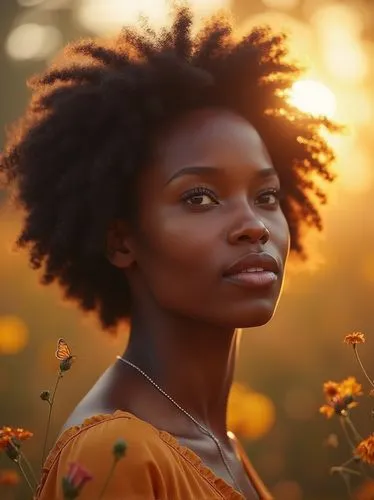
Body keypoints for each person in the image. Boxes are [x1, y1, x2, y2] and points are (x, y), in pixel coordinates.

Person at [0, 5, 338, 499]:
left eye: (266, 197)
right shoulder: (115, 454)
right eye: (199, 197)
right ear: (122, 241)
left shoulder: (215, 441)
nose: (253, 226)